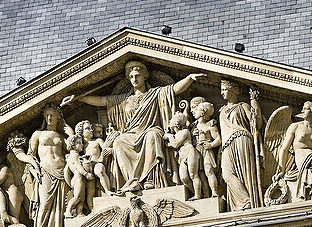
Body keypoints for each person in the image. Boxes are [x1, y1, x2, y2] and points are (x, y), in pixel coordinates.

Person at [62, 60, 207, 190]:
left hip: (150, 130)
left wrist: (189, 78)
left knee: (153, 136)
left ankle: (150, 179)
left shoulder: (156, 94)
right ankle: (132, 180)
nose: (134, 79)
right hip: (130, 134)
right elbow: (102, 100)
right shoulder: (124, 99)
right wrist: (79, 98)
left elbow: (174, 89)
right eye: (131, 77)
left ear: (145, 76)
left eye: (137, 75)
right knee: (119, 141)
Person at [23, 103, 70, 227]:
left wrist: (68, 128)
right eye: (47, 116)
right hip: (46, 170)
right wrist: (34, 169)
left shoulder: (61, 137)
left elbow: (73, 145)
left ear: (57, 118)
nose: (49, 118)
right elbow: (30, 155)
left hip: (61, 171)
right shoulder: (38, 134)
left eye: (52, 116)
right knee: (45, 203)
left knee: (60, 205)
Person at [218, 78, 264, 210]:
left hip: (241, 140)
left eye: (224, 89)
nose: (221, 93)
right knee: (226, 174)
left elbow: (256, 123)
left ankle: (250, 202)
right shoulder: (221, 110)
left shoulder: (243, 106)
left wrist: (254, 101)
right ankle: (244, 200)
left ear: (232, 90)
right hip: (226, 145)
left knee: (245, 174)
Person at [165, 111, 205, 198]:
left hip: (190, 152)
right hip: (182, 156)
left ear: (176, 123)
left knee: (193, 174)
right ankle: (197, 192)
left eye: (171, 119)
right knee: (184, 178)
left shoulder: (185, 131)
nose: (169, 121)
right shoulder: (176, 134)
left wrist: (169, 136)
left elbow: (175, 144)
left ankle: (197, 195)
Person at [191, 97, 222, 197]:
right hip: (196, 151)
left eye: (197, 110)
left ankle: (214, 192)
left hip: (206, 149)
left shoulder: (210, 125)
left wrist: (211, 145)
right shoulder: (193, 126)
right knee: (199, 173)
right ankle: (200, 194)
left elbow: (218, 139)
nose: (194, 112)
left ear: (203, 112)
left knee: (209, 171)